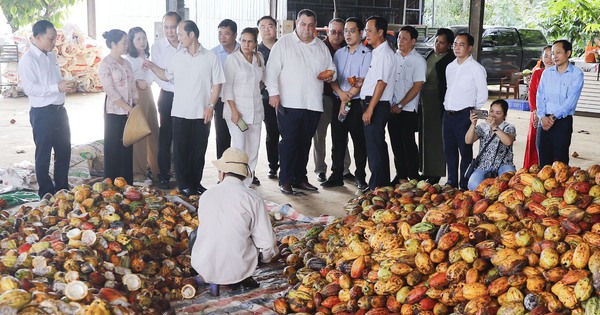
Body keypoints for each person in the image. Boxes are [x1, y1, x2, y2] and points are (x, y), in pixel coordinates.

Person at [145, 20, 225, 197]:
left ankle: (196, 183)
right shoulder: (177, 56)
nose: (177, 37)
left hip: (202, 113)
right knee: (181, 151)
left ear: (192, 35)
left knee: (198, 151)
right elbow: (166, 75)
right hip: (180, 112)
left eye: (180, 34)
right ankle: (184, 185)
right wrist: (151, 66)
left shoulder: (211, 57)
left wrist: (211, 106)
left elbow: (217, 84)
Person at [265, 9, 336, 195]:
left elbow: (331, 68)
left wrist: (329, 76)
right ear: (297, 23)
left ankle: (300, 178)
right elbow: (271, 71)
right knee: (289, 142)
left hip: (313, 103)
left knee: (305, 143)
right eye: (303, 24)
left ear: (315, 26)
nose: (307, 28)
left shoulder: (320, 46)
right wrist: (273, 93)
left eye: (311, 25)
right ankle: (285, 180)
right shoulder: (284, 43)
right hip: (289, 102)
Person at [191, 147, 279, 290]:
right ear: (244, 175)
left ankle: (210, 275)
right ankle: (239, 276)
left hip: (203, 265)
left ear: (223, 173)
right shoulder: (253, 198)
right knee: (253, 237)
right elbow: (267, 242)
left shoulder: (206, 195)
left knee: (196, 233)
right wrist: (267, 259)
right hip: (239, 268)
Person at [18, 20, 76, 197]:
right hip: (42, 113)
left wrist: (64, 86)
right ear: (38, 37)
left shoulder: (51, 56)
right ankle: (46, 191)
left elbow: (54, 81)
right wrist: (56, 88)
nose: (54, 42)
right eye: (51, 39)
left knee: (64, 151)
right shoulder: (28, 60)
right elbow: (30, 89)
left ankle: (62, 188)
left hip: (59, 111)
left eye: (55, 39)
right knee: (43, 154)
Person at [322, 17, 371, 190]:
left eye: (352, 31)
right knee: (338, 140)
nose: (347, 35)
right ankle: (336, 175)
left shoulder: (367, 54)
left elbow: (362, 81)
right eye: (346, 31)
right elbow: (332, 78)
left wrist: (347, 98)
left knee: (359, 141)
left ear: (361, 33)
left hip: (357, 105)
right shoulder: (339, 54)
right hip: (339, 101)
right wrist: (342, 96)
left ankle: (360, 177)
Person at [443, 32, 488, 189]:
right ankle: (451, 181)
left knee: (465, 152)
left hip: (465, 115)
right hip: (448, 115)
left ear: (469, 48)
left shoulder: (476, 69)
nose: (457, 47)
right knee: (449, 151)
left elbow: (482, 94)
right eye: (455, 44)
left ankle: (464, 184)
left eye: (461, 44)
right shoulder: (450, 67)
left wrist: (473, 113)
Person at [223, 27, 265, 187]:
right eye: (243, 40)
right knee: (239, 148)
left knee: (253, 149)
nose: (246, 44)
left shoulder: (259, 57)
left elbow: (263, 79)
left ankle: (247, 182)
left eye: (250, 41)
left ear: (255, 43)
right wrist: (234, 111)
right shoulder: (232, 60)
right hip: (237, 111)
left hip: (255, 109)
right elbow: (227, 88)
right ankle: (235, 183)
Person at [313, 18, 352, 183]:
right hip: (323, 97)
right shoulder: (320, 48)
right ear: (327, 31)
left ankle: (344, 169)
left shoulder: (348, 49)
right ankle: (320, 169)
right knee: (319, 135)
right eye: (333, 31)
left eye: (340, 32)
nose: (337, 35)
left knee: (342, 135)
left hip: (343, 98)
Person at [360, 16, 396, 191]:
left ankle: (376, 186)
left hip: (377, 105)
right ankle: (382, 184)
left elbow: (382, 84)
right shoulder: (377, 52)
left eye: (369, 30)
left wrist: (370, 109)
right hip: (374, 103)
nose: (366, 33)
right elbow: (377, 81)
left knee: (375, 147)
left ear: (380, 32)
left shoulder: (385, 54)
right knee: (377, 145)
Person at [98, 29, 138, 184]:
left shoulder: (126, 62)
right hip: (114, 111)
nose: (127, 45)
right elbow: (111, 92)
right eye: (124, 42)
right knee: (113, 148)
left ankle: (127, 185)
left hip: (130, 111)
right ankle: (110, 186)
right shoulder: (105, 64)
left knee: (127, 148)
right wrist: (129, 109)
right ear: (113, 44)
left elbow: (133, 87)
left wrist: (136, 106)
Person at [536, 39, 584, 167]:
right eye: (552, 53)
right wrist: (542, 116)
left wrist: (552, 117)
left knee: (560, 164)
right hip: (544, 121)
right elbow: (540, 95)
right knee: (543, 163)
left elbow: (571, 101)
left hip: (562, 122)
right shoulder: (547, 73)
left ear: (568, 53)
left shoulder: (576, 74)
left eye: (558, 52)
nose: (554, 56)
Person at [389, 25, 426, 184]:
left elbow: (417, 86)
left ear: (413, 41)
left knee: (408, 143)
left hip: (408, 109)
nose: (400, 41)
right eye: (399, 38)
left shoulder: (418, 60)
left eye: (404, 38)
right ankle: (401, 175)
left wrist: (401, 105)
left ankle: (414, 175)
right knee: (395, 142)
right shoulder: (393, 57)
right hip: (391, 108)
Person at [419, 28, 455, 184]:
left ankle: (436, 172)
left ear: (449, 45)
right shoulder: (430, 55)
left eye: (442, 43)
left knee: (436, 139)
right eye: (436, 41)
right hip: (423, 101)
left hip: (437, 102)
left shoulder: (450, 60)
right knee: (424, 136)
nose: (437, 45)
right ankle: (425, 170)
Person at [151, 11, 181, 189]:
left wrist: (173, 78)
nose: (169, 31)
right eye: (166, 27)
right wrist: (174, 82)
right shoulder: (158, 47)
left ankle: (181, 171)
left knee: (182, 135)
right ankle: (163, 174)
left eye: (173, 27)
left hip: (185, 97)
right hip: (167, 96)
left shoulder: (186, 44)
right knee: (166, 135)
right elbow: (157, 74)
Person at [125, 27, 159, 185]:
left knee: (153, 129)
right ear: (131, 42)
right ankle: (138, 174)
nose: (142, 42)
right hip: (138, 94)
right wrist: (137, 81)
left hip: (149, 93)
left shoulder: (146, 56)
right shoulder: (129, 59)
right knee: (140, 132)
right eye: (138, 39)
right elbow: (125, 80)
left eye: (144, 38)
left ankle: (158, 170)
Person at [465, 99, 516, 190]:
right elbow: (468, 141)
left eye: (498, 113)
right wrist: (473, 124)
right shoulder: (483, 126)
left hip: (504, 163)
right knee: (473, 185)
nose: (493, 115)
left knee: (511, 184)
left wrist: (495, 127)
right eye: (491, 111)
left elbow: (508, 141)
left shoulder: (509, 127)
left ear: (504, 115)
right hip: (484, 164)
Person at [212, 19, 239, 160]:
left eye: (226, 33)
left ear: (235, 35)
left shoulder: (244, 50)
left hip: (241, 101)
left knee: (242, 137)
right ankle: (223, 175)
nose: (222, 36)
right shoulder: (213, 54)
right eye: (220, 33)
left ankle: (244, 172)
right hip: (221, 101)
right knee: (222, 137)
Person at [257, 16, 280, 180]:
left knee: (288, 134)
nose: (267, 29)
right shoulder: (255, 52)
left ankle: (287, 167)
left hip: (287, 98)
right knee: (272, 133)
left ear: (276, 28)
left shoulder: (284, 47)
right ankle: (273, 166)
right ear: (259, 30)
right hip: (265, 99)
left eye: (270, 26)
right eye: (263, 27)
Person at [523, 45, 553, 169]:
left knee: (551, 144)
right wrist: (535, 111)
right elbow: (532, 93)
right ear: (541, 58)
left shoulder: (560, 75)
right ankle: (532, 169)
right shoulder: (537, 73)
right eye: (545, 55)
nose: (549, 59)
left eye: (552, 55)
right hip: (537, 114)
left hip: (552, 116)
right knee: (534, 143)